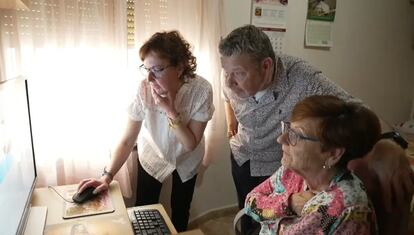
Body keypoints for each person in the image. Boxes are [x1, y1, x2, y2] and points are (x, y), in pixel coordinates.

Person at [219, 24, 414, 234]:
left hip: (275, 162)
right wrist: (231, 121)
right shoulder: (231, 75)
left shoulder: (303, 79)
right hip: (243, 156)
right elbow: (253, 204)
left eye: (238, 74)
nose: (229, 82)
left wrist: (389, 145)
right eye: (226, 72)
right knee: (250, 219)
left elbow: (355, 111)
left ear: (266, 66)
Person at [77, 30, 214, 232]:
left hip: (187, 158)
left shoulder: (202, 90)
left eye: (157, 69)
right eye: (146, 69)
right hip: (153, 154)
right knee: (144, 208)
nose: (149, 78)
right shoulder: (143, 89)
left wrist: (169, 110)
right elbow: (127, 139)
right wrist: (107, 175)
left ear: (179, 67)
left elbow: (190, 143)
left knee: (181, 209)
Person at [244, 95, 381, 234]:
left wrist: (273, 217)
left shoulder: (345, 208)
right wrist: (288, 204)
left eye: (296, 135)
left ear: (332, 154)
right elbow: (251, 202)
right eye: (288, 129)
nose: (281, 139)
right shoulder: (291, 172)